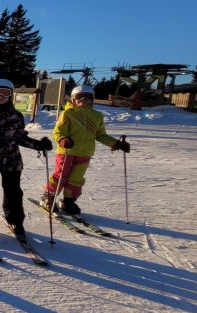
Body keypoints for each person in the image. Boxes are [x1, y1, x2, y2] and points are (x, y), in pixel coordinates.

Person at [0, 79, 53, 238]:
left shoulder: (16, 115)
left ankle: (16, 221)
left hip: (11, 160)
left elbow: (20, 137)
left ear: (11, 95)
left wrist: (39, 145)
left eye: (5, 93)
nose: (0, 96)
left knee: (13, 192)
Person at [40, 85, 131, 215]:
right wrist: (62, 140)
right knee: (61, 175)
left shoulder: (97, 116)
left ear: (92, 99)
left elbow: (100, 135)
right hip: (67, 151)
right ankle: (48, 197)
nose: (83, 99)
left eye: (87, 97)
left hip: (85, 152)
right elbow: (58, 132)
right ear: (73, 99)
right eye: (79, 97)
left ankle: (68, 201)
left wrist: (116, 144)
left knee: (76, 178)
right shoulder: (68, 113)